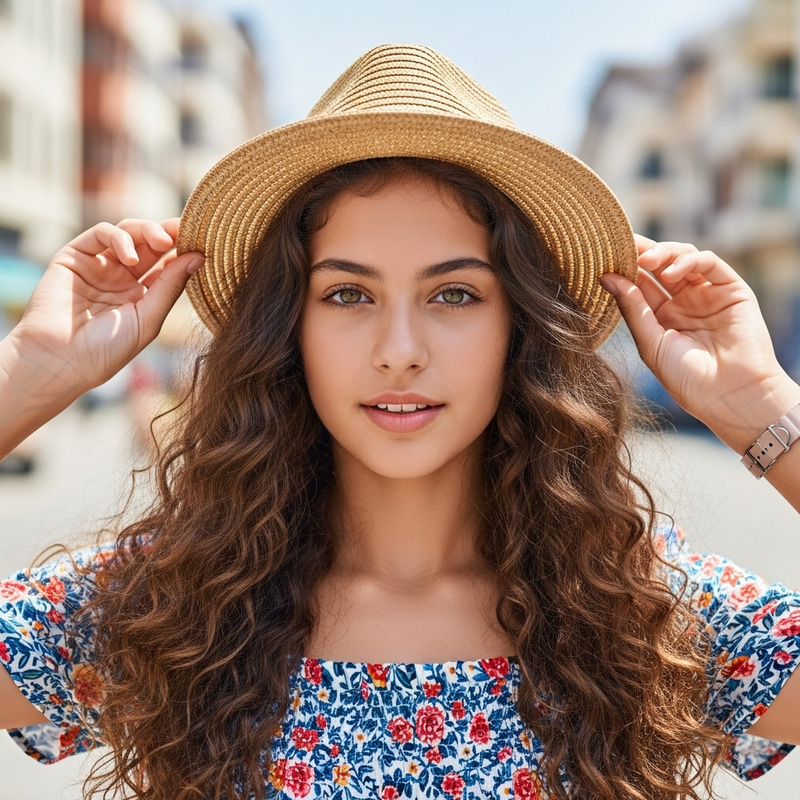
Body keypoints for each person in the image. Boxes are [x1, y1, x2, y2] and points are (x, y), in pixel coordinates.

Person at [0, 44, 799, 800]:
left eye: (455, 294)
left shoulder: (640, 613)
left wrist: (759, 405)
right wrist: (30, 376)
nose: (400, 351)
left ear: (517, 327)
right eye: (348, 294)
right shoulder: (172, 605)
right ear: (291, 328)